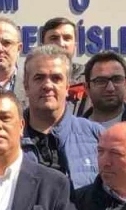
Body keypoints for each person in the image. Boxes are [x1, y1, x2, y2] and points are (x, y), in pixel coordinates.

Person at [20, 45, 103, 190]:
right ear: (26, 86)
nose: (47, 85)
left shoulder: (97, 136)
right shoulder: (9, 138)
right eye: (39, 78)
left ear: (67, 87)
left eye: (56, 78)